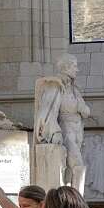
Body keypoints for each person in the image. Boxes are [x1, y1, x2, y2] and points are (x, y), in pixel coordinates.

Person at [33, 54, 90, 193]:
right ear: (66, 67)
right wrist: (54, 132)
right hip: (65, 131)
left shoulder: (75, 90)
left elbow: (86, 112)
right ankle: (78, 204)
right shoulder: (56, 86)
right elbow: (47, 112)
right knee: (78, 166)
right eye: (75, 66)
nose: (77, 70)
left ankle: (69, 202)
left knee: (70, 171)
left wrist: (80, 108)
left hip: (78, 132)